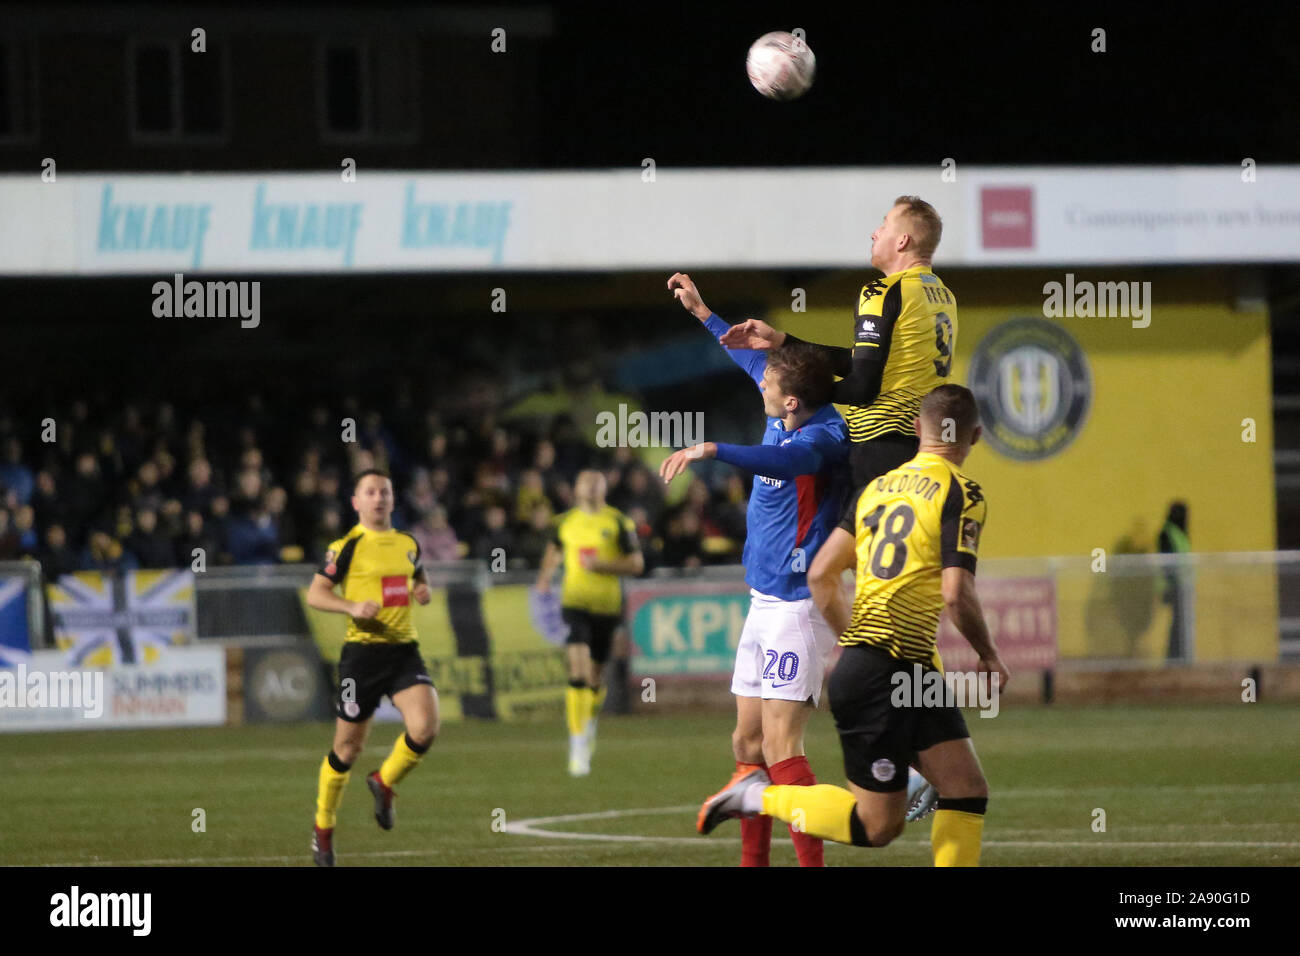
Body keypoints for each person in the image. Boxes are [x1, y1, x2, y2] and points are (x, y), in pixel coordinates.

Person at [698, 384, 1009, 867]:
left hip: (892, 668)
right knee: (877, 825)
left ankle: (888, 777)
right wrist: (988, 655)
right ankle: (757, 797)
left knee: (966, 788)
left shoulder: (876, 489)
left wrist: (853, 644)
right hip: (890, 669)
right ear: (977, 436)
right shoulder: (962, 491)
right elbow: (955, 592)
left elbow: (822, 574)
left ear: (915, 430)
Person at [663, 271, 853, 867]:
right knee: (748, 743)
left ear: (790, 399)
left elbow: (777, 458)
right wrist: (703, 314)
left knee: (782, 746)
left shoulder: (821, 437)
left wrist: (711, 450)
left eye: (768, 377)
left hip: (798, 604)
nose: (759, 379)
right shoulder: (786, 405)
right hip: (763, 600)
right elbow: (749, 360)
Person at [305, 469, 437, 867]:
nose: (378, 498)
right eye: (370, 492)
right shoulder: (346, 546)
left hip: (402, 652)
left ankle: (383, 782)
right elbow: (316, 593)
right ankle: (323, 830)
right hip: (360, 657)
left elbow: (415, 572)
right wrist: (351, 607)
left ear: (393, 500)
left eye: (385, 492)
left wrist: (420, 588)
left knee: (425, 728)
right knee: (347, 749)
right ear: (356, 502)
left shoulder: (408, 543)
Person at [536, 469, 643, 776]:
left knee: (595, 675)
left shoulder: (619, 522)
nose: (591, 488)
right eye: (586, 483)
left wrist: (602, 565)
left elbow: (637, 563)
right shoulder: (564, 522)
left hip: (606, 607)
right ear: (577, 488)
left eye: (596, 483)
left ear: (604, 488)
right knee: (578, 667)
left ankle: (589, 723)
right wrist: (544, 577)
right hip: (574, 602)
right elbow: (554, 550)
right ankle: (577, 740)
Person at [1157, 501, 1190, 659]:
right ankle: (1174, 656)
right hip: (1175, 586)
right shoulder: (1168, 533)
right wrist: (1169, 586)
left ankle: (1180, 654)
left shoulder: (1178, 533)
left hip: (1183, 585)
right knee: (1178, 623)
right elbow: (1167, 564)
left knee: (1181, 623)